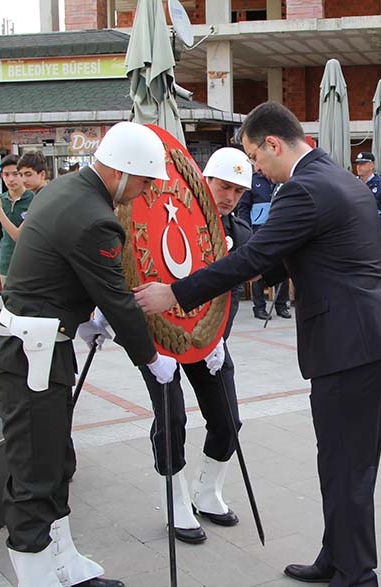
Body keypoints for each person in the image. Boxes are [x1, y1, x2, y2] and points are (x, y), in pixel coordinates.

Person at [134, 101, 381, 587]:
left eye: (255, 157)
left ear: (274, 144)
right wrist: (250, 274)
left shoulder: (301, 188)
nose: (256, 169)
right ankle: (337, 556)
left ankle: (356, 575)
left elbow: (257, 257)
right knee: (341, 461)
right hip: (373, 339)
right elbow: (300, 256)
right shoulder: (341, 179)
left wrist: (175, 291)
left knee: (347, 466)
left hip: (351, 347)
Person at [0, 121, 178, 587]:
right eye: (146, 181)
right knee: (34, 475)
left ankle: (62, 562)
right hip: (32, 356)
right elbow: (119, 301)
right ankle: (36, 576)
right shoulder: (95, 218)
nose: (147, 192)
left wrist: (84, 317)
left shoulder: (66, 189)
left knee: (57, 461)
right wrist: (151, 358)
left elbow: (57, 272)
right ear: (124, 172)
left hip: (41, 347)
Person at [134, 147, 253, 544]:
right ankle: (176, 498)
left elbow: (231, 295)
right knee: (172, 420)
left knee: (227, 420)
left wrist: (219, 338)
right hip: (160, 336)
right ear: (204, 181)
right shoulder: (172, 212)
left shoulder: (238, 234)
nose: (229, 198)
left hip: (207, 338)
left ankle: (208, 491)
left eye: (239, 192)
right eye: (224, 187)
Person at [236, 170, 291, 319]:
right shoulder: (253, 180)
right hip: (259, 231)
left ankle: (281, 304)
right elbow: (243, 208)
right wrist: (246, 231)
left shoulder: (281, 178)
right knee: (259, 269)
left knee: (283, 268)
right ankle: (259, 307)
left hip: (279, 230)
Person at [0, 154, 34, 291]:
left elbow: (19, 235)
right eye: (6, 175)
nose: (11, 179)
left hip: (29, 266)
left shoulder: (34, 198)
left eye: (15, 174)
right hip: (5, 266)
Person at [354, 151, 381, 239]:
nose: (358, 166)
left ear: (371, 165)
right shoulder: (352, 184)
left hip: (373, 235)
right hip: (354, 234)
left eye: (362, 164)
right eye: (358, 164)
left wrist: (375, 227)